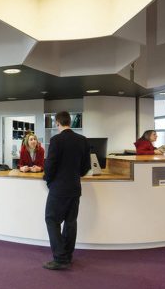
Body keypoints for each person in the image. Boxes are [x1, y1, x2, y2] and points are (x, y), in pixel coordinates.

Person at [43, 111, 91, 271]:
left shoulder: (56, 140)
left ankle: (60, 258)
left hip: (59, 189)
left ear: (57, 123)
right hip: (75, 188)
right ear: (70, 122)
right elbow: (86, 167)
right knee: (70, 222)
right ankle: (68, 256)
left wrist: (48, 181)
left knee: (52, 220)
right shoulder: (82, 140)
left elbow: (50, 166)